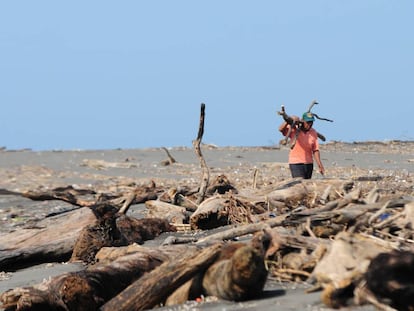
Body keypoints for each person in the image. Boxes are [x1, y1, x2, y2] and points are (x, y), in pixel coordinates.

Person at [278, 112, 325, 179]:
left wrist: (320, 165)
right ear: (303, 121)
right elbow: (281, 129)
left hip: (309, 163)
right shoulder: (294, 129)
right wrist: (290, 119)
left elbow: (315, 150)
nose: (310, 124)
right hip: (296, 163)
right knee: (298, 183)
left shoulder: (313, 132)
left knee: (307, 185)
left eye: (311, 122)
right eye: (308, 122)